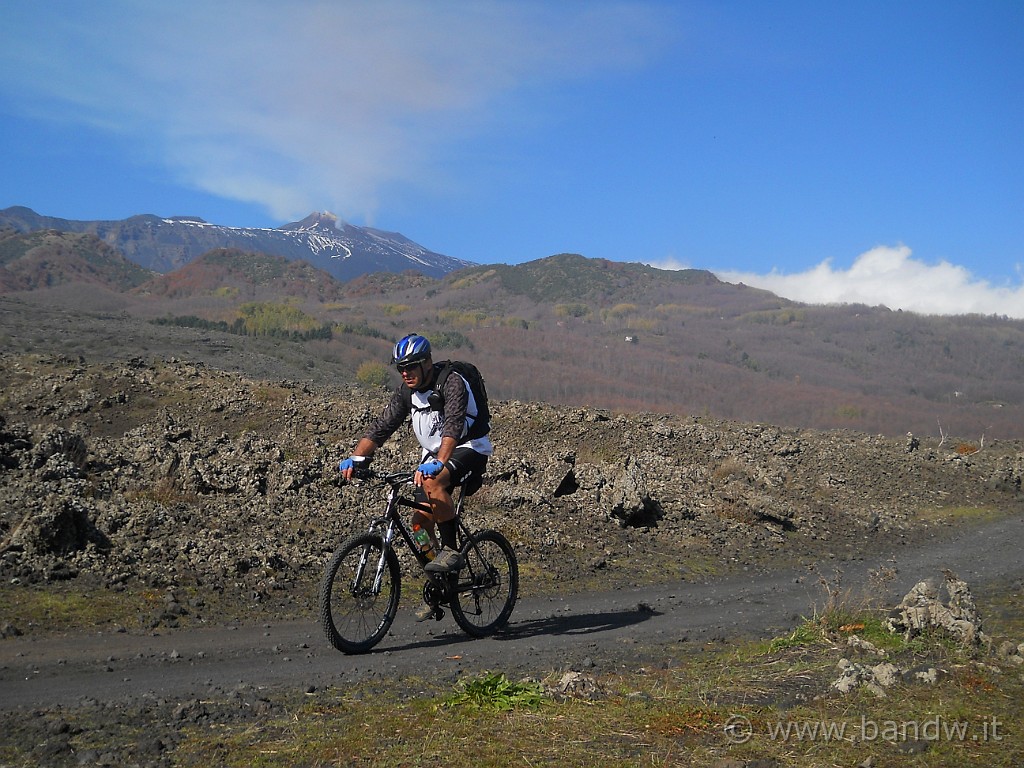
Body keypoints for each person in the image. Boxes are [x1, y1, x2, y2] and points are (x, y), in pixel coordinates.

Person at [338, 334, 492, 619]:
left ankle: (450, 550)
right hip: (434, 456)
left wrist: (440, 462)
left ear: (427, 362)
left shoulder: (452, 382)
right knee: (419, 525)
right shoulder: (406, 393)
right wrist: (357, 458)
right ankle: (441, 583)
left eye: (411, 366)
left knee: (434, 482)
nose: (405, 373)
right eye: (400, 368)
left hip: (468, 447)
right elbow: (381, 428)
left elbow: (454, 427)